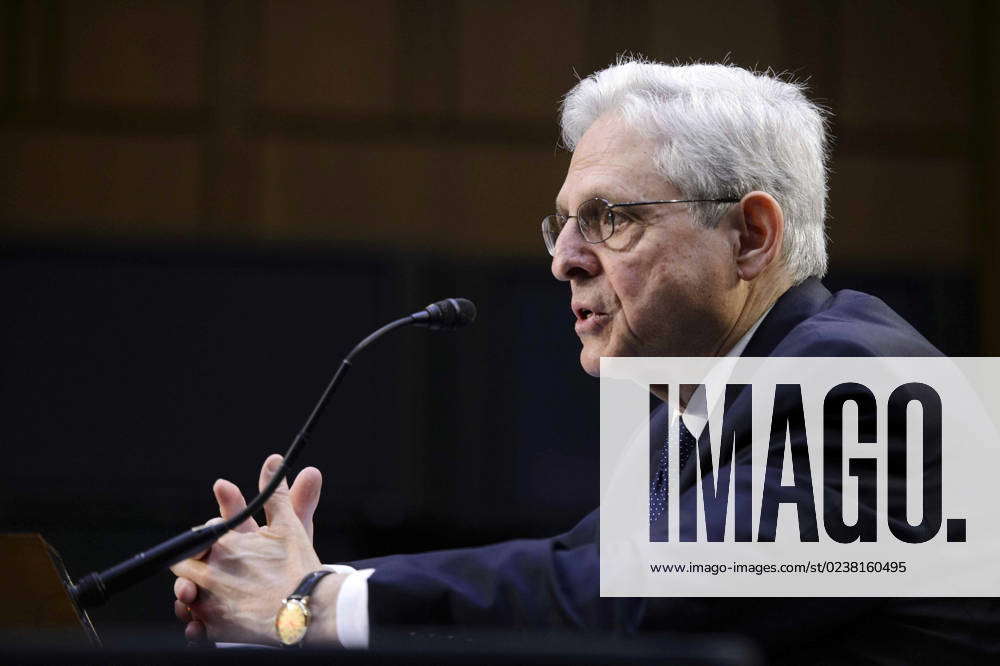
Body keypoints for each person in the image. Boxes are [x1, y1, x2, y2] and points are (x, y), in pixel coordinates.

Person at [170, 59, 998, 661]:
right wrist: (304, 593)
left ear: (750, 236)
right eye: (561, 223)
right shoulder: (701, 412)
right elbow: (575, 587)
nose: (564, 257)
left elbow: (622, 601)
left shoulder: (867, 387)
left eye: (608, 217)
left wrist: (314, 604)